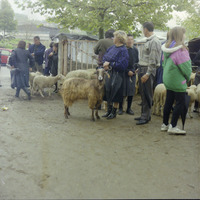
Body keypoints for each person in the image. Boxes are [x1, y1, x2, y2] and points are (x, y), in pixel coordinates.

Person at [161, 27, 192, 134]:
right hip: (178, 81)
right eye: (184, 34)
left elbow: (163, 64)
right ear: (180, 35)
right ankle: (173, 126)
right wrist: (187, 78)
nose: (185, 36)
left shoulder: (166, 47)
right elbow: (187, 68)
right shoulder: (181, 50)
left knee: (168, 101)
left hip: (168, 79)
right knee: (180, 102)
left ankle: (165, 124)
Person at [135, 22, 162, 125]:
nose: (143, 31)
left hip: (147, 70)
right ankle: (144, 114)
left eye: (143, 29)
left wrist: (147, 73)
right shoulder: (149, 41)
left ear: (146, 29)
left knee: (147, 93)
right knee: (143, 93)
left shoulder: (154, 41)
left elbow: (153, 60)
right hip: (143, 68)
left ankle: (145, 117)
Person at [102, 30, 129, 120]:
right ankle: (108, 111)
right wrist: (105, 63)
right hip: (109, 73)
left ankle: (114, 112)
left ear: (119, 38)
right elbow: (105, 57)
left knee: (116, 92)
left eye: (115, 37)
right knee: (108, 90)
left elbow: (123, 65)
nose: (113, 38)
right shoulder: (112, 48)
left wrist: (110, 64)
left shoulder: (123, 50)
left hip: (118, 75)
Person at [118, 34, 139, 115]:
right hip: (123, 72)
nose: (129, 41)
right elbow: (120, 62)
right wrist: (127, 71)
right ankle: (120, 108)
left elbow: (137, 61)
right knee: (122, 90)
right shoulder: (122, 50)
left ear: (133, 41)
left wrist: (136, 69)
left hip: (132, 73)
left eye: (131, 39)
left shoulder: (135, 50)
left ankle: (129, 108)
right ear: (125, 40)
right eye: (128, 39)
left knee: (131, 91)